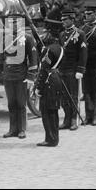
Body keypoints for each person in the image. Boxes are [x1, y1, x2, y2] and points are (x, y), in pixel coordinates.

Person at [0, 14, 38, 139]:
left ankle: (21, 129)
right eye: (11, 22)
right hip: (8, 75)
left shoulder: (27, 38)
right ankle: (12, 129)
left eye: (16, 22)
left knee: (21, 103)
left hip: (21, 75)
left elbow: (33, 58)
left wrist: (31, 77)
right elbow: (0, 58)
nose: (13, 25)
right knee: (11, 103)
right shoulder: (5, 38)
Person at [35, 17, 64, 147]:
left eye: (45, 32)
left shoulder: (48, 50)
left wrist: (38, 87)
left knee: (47, 111)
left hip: (48, 80)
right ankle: (54, 138)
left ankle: (50, 139)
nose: (43, 35)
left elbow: (43, 70)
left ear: (50, 33)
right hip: (57, 77)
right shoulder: (60, 47)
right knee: (54, 110)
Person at [58, 9, 87, 131]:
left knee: (73, 95)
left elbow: (83, 53)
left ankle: (74, 119)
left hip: (73, 69)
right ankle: (66, 118)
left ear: (72, 19)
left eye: (65, 20)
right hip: (63, 69)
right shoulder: (62, 34)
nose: (63, 22)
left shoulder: (80, 33)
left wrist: (80, 70)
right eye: (62, 20)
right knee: (64, 96)